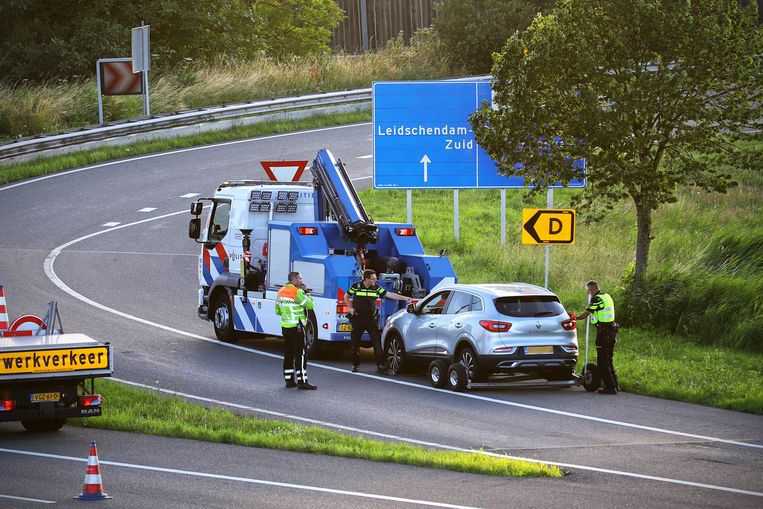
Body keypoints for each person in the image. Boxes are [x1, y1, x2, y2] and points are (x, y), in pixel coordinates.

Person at [344, 269, 411, 374]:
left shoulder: (376, 288)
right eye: (373, 278)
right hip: (358, 318)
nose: (375, 279)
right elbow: (346, 296)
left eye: (375, 278)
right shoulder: (356, 287)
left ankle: (380, 365)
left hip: (371, 319)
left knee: (376, 341)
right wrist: (350, 307)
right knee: (355, 343)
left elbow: (389, 295)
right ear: (366, 279)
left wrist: (405, 298)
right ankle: (355, 365)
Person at [275, 271, 317, 390]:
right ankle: (302, 381)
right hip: (297, 328)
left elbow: (277, 311)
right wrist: (307, 292)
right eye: (299, 279)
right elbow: (310, 305)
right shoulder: (297, 291)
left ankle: (289, 381)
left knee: (288, 353)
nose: (301, 281)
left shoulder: (281, 291)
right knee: (301, 354)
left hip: (285, 327)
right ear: (293, 280)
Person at [576, 280, 619, 394]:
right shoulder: (607, 296)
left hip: (603, 333)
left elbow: (587, 313)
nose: (588, 293)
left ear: (591, 289)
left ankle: (610, 388)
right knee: (608, 359)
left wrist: (575, 317)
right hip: (611, 331)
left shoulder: (597, 299)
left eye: (588, 291)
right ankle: (615, 384)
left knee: (602, 361)